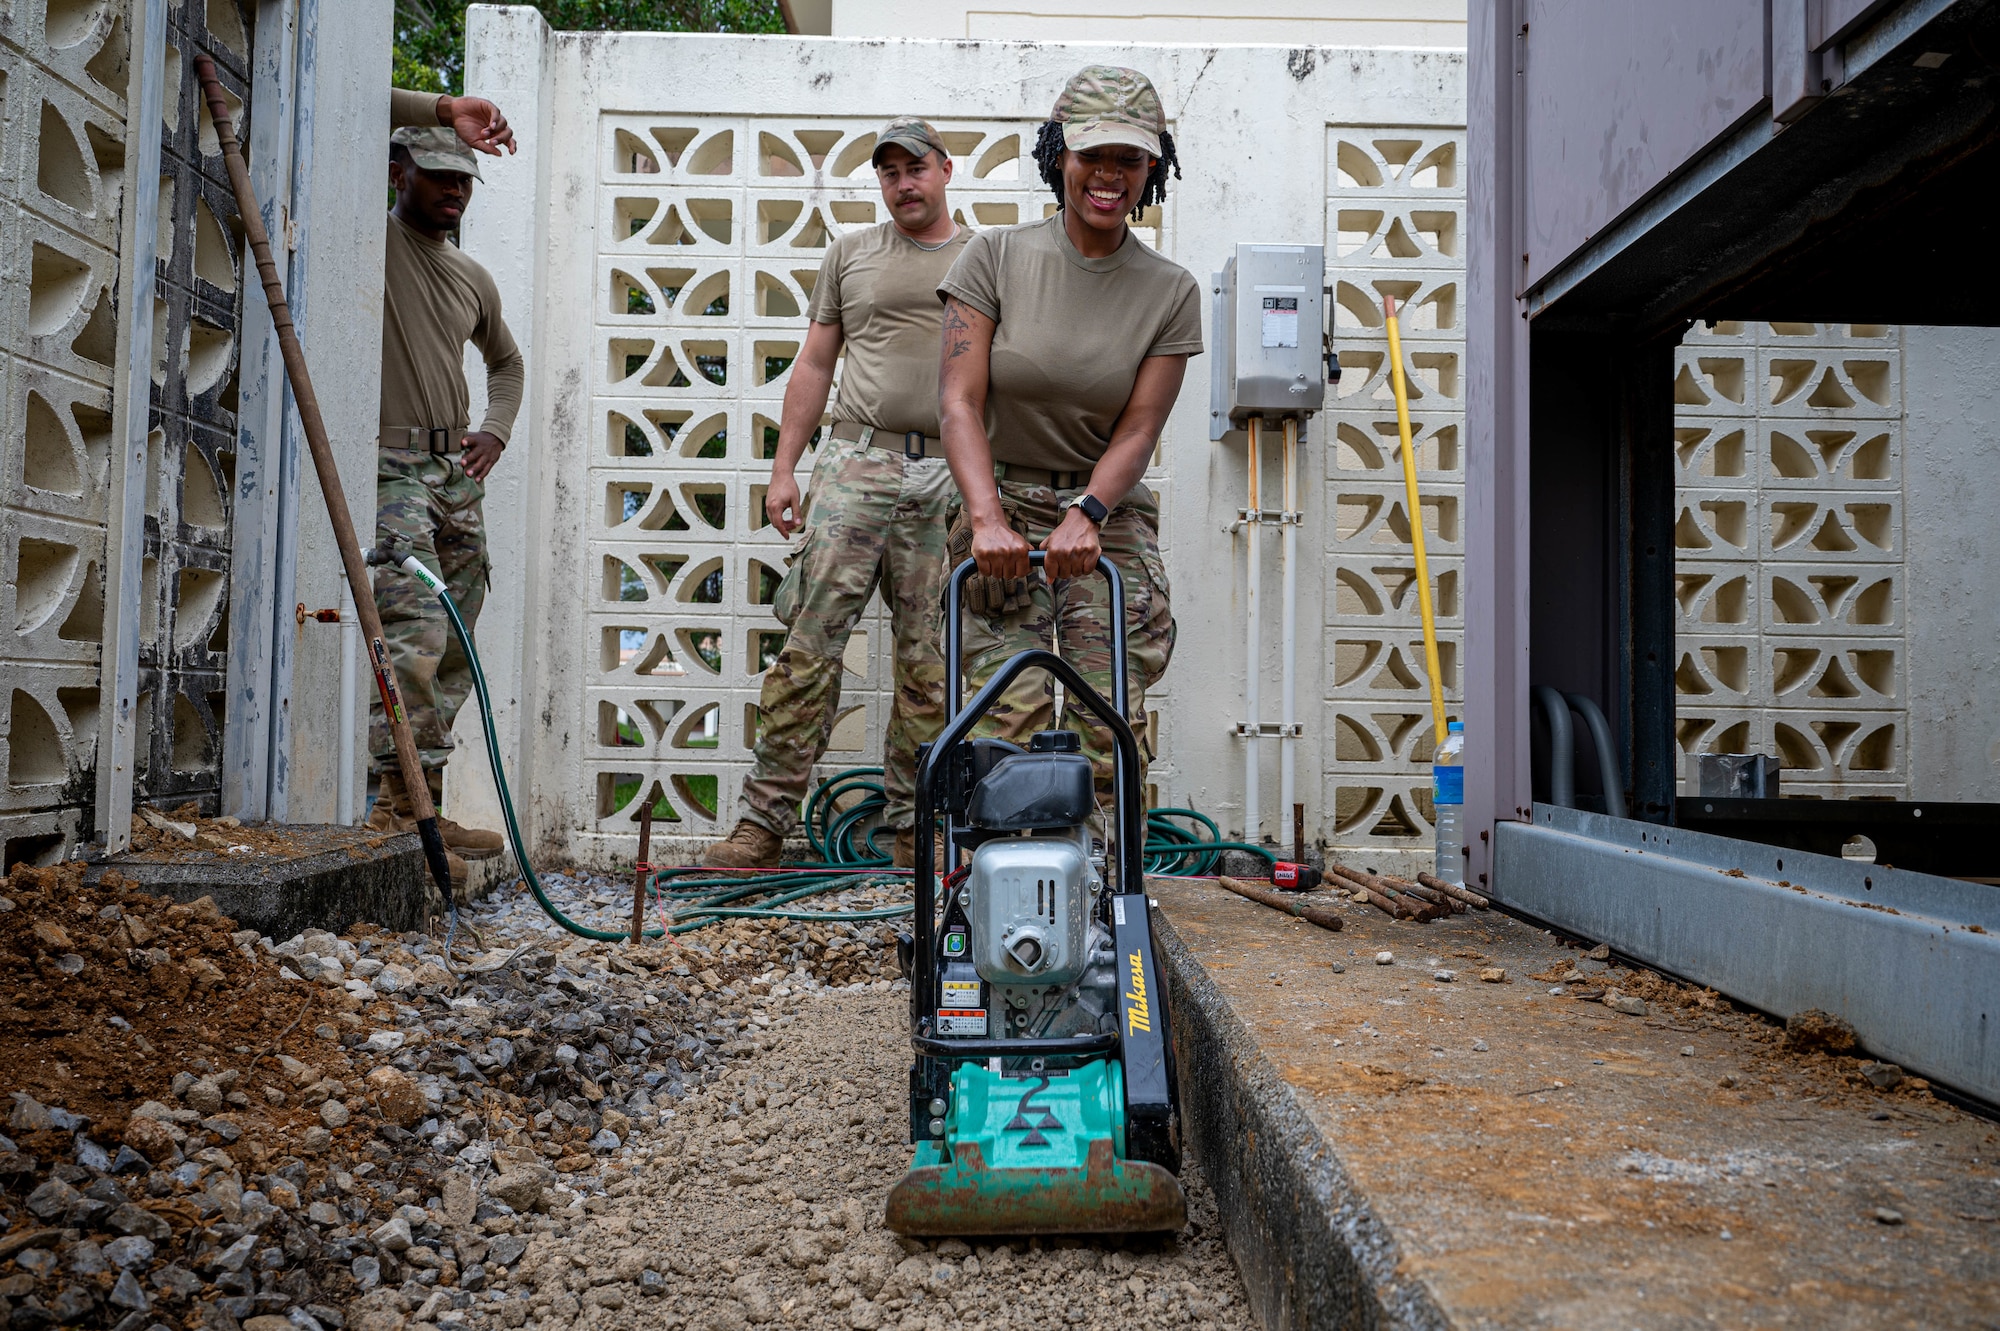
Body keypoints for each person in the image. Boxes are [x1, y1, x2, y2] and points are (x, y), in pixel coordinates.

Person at [703, 117, 971, 869]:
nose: (902, 183)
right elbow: (816, 364)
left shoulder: (986, 258)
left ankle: (917, 829)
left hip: (945, 476)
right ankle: (763, 823)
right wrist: (784, 467)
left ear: (946, 169)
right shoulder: (850, 255)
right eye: (887, 172)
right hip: (855, 464)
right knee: (810, 644)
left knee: (931, 661)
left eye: (914, 168)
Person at [936, 66, 1200, 803]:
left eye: (1130, 159)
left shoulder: (1170, 290)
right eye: (1092, 156)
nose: (1109, 176)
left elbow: (1140, 427)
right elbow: (957, 400)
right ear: (1059, 155)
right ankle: (994, 896)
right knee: (1002, 716)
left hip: (1104, 520)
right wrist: (985, 516)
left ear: (1155, 168)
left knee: (1104, 714)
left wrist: (1088, 512)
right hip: (1002, 512)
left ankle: (1109, 896)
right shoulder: (993, 257)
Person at [363, 91, 523, 881]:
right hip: (389, 468)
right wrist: (441, 106)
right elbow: (348, 96)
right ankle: (397, 802)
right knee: (414, 631)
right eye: (437, 176)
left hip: (451, 479)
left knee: (454, 638)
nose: (454, 191)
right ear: (399, 172)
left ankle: (420, 793)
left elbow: (508, 362)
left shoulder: (470, 275)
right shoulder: (373, 241)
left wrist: (494, 429)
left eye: (463, 182)